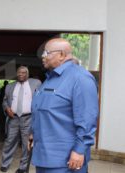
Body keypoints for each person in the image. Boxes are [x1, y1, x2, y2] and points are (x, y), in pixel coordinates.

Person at [30, 38, 99, 173]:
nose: (43, 57)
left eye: (47, 53)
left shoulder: (80, 78)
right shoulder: (50, 79)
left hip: (65, 160)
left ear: (61, 54)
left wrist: (79, 150)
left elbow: (87, 118)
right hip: (44, 156)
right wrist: (33, 133)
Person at [0, 66, 41, 173]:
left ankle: (23, 167)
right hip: (13, 118)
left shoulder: (36, 83)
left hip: (28, 118)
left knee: (26, 143)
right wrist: (7, 108)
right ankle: (5, 164)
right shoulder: (10, 86)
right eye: (19, 72)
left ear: (27, 74)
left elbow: (41, 98)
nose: (21, 74)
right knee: (9, 141)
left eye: (23, 72)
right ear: (16, 74)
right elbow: (4, 101)